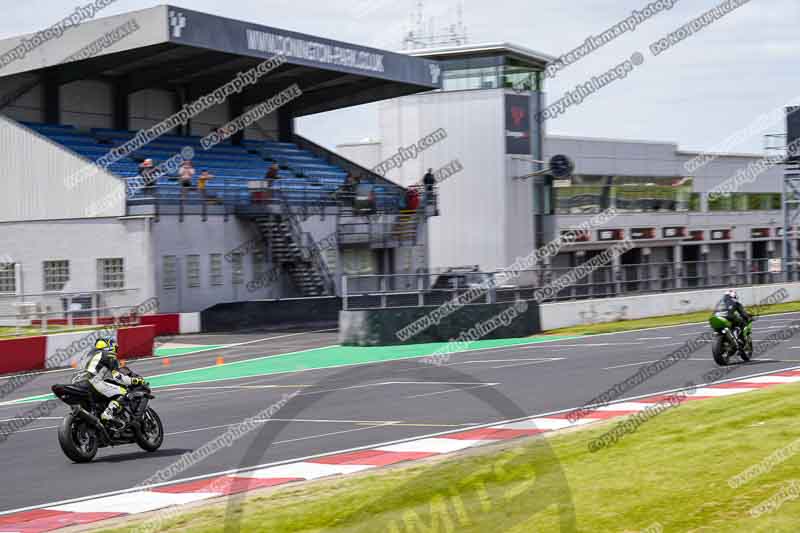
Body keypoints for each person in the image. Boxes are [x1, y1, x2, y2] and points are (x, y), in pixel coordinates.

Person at [84, 338, 146, 429]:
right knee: (124, 392)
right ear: (109, 347)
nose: (116, 351)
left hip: (80, 382)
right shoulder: (108, 355)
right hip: (94, 382)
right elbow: (118, 378)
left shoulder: (89, 356)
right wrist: (134, 380)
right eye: (115, 349)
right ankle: (108, 413)